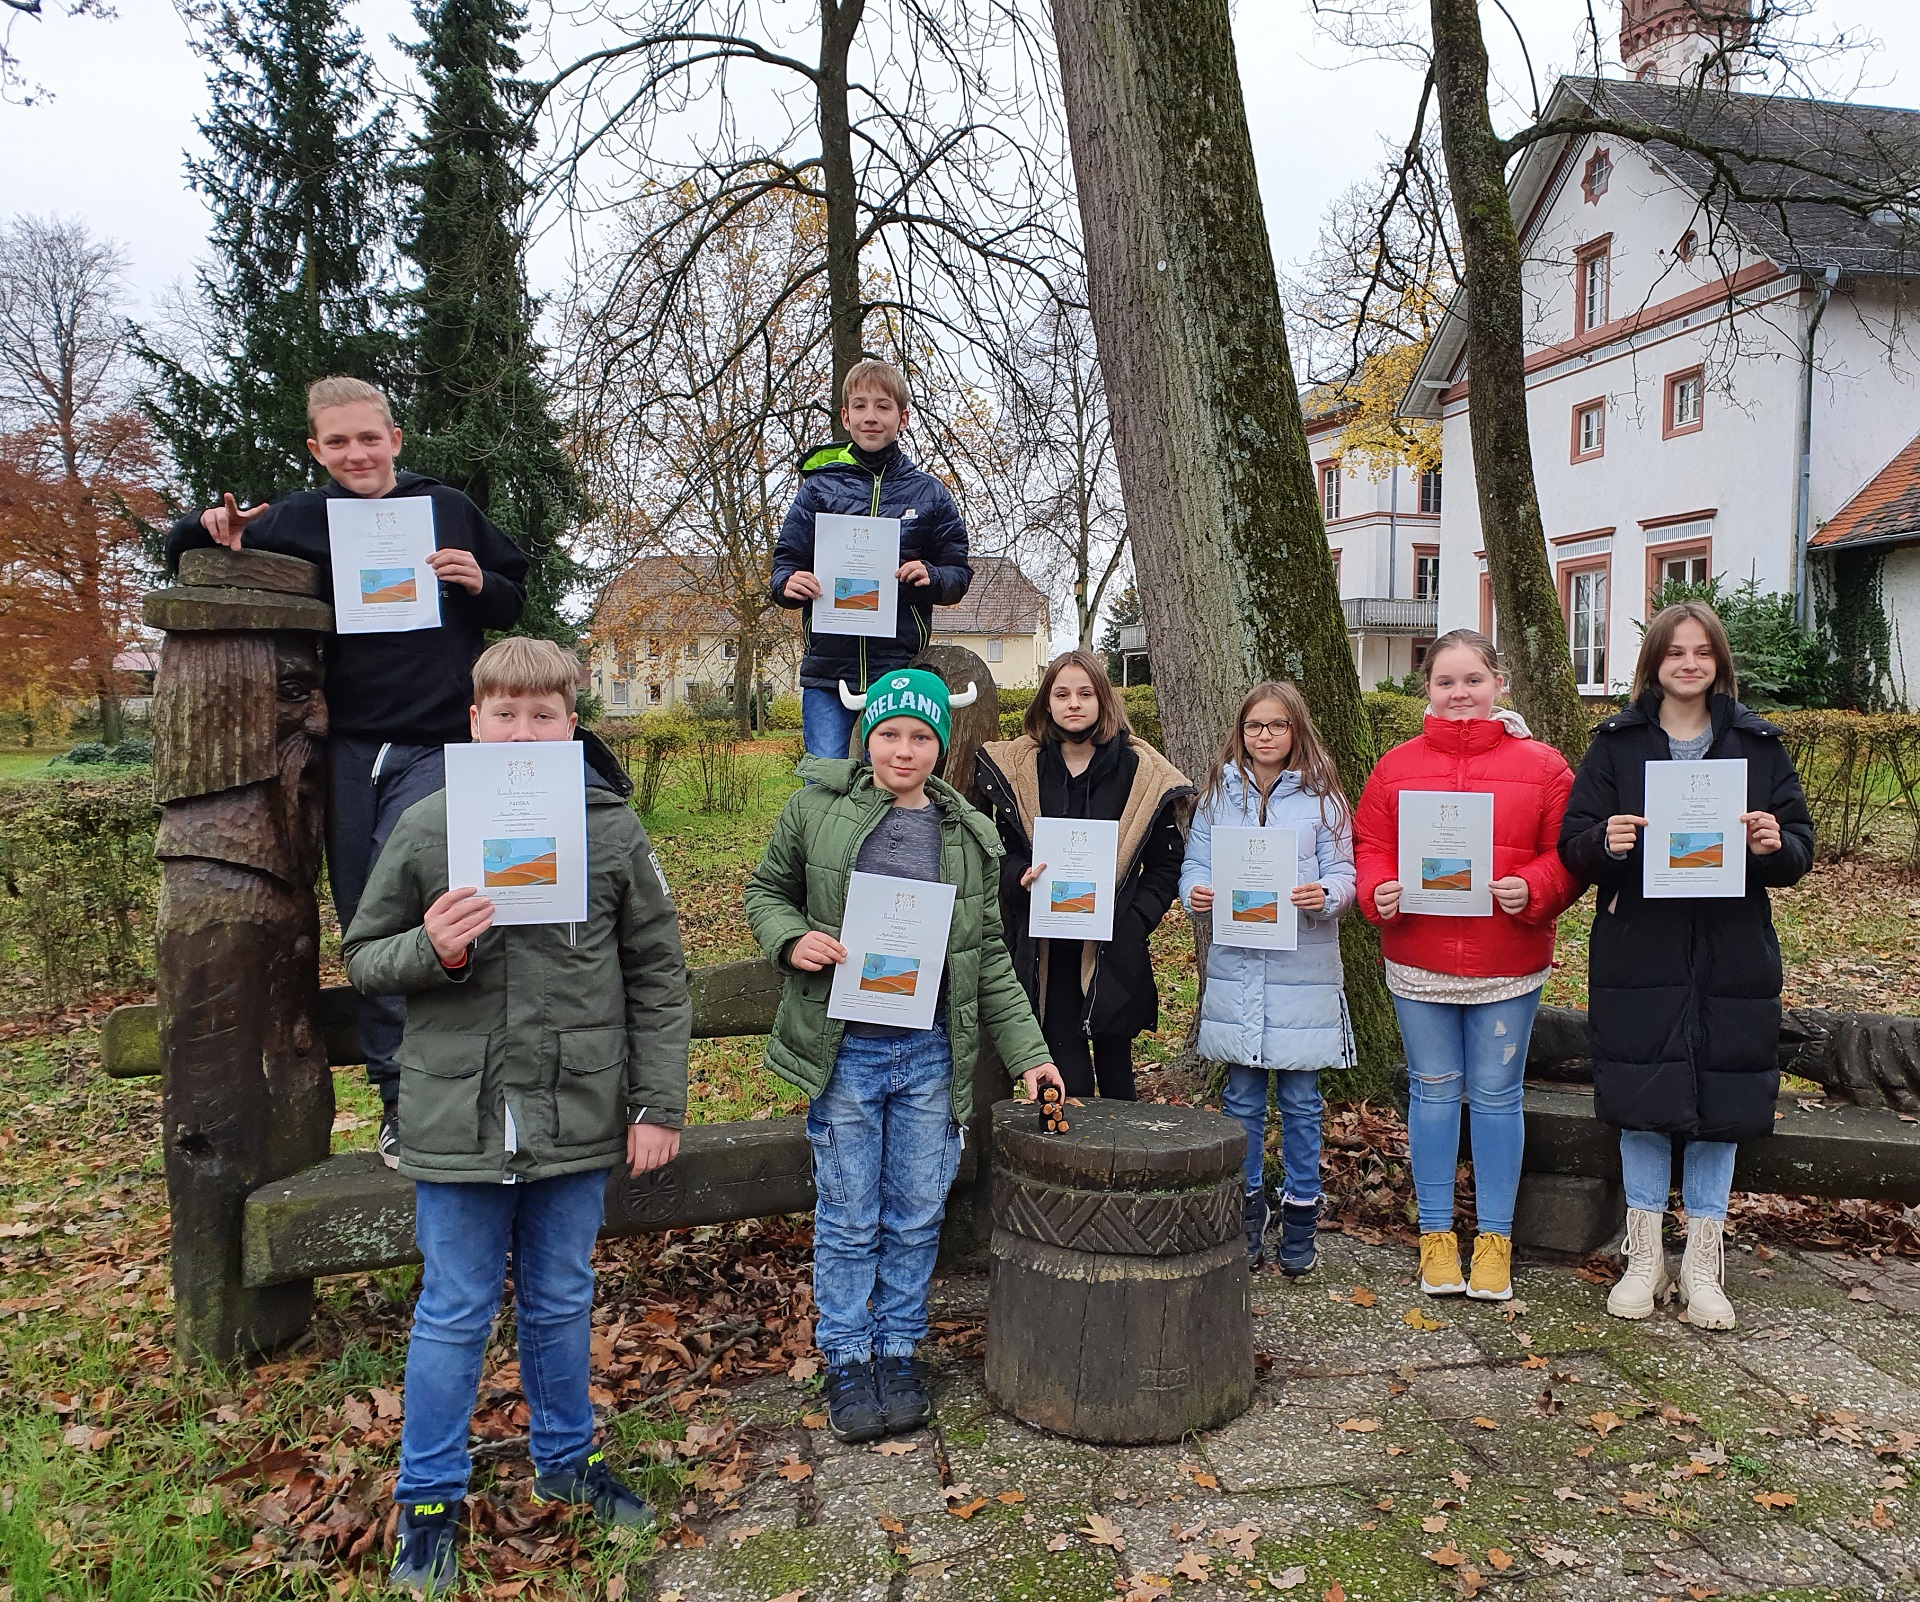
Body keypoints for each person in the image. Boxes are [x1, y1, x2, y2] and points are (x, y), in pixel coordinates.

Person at [341, 637, 689, 1597]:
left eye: (544, 716)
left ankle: (566, 1460)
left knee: (562, 1296)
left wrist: (657, 1104)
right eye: (506, 714)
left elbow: (658, 976)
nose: (524, 731)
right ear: (475, 723)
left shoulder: (610, 829)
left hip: (576, 1112)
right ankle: (428, 1501)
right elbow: (365, 957)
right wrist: (433, 949)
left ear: (571, 726)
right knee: (454, 1309)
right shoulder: (428, 824)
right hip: (457, 1118)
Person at [165, 376, 530, 1167]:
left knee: (444, 908)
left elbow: (511, 595)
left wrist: (478, 580)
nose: (357, 453)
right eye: (338, 442)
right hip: (352, 748)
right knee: (371, 920)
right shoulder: (302, 517)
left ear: (395, 438)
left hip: (442, 745)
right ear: (316, 450)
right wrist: (209, 524)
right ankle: (401, 1101)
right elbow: (187, 544)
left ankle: (469, 1090)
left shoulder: (446, 508)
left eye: (370, 437)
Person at [744, 668, 1063, 1444]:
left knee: (917, 1212)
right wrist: (793, 938)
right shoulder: (815, 809)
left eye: (921, 736)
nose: (904, 749)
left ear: (941, 747)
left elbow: (987, 955)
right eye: (890, 733)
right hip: (845, 1051)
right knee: (851, 1214)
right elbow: (765, 891)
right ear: (867, 737)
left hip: (928, 1056)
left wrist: (1031, 1054)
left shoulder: (970, 836)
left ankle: (898, 1346)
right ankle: (849, 1358)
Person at [1558, 603, 1812, 1331]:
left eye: (1702, 652)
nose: (1690, 664)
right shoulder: (1616, 743)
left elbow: (1799, 850)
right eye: (1676, 653)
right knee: (1641, 1096)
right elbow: (1575, 845)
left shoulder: (1759, 745)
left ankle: (1702, 1264)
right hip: (1640, 947)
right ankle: (1645, 1259)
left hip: (1731, 950)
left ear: (1719, 661)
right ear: (1656, 663)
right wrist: (1606, 840)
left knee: (1720, 1108)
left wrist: (1772, 842)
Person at [1353, 630, 1581, 1303]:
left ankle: (1494, 1240)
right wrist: (1378, 890)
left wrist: (1535, 888)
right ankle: (1434, 1236)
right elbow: (1371, 843)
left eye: (1472, 681)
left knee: (1496, 1097)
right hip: (1420, 959)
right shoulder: (1395, 767)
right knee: (1430, 1094)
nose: (1459, 695)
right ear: (1426, 690)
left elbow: (1567, 853)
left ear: (1498, 684)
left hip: (1505, 960)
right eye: (1445, 682)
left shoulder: (1543, 767)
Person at [1178, 681, 1355, 1275]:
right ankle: (1246, 1209)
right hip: (1238, 969)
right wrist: (1193, 893)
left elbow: (1345, 873)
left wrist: (1325, 894)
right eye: (1255, 725)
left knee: (1302, 1102)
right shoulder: (1217, 795)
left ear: (1295, 729)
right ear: (1241, 730)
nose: (1265, 735)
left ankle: (1302, 1208)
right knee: (1242, 1100)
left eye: (1277, 725)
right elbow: (1196, 863)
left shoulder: (1324, 796)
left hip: (1301, 969)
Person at [975, 650, 1192, 1104]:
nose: (1074, 703)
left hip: (1116, 945)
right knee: (1066, 1074)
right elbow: (1000, 853)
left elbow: (1167, 862)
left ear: (1103, 699)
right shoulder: (1022, 769)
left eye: (1085, 693)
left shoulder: (1139, 772)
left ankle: (1121, 1165)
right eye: (1062, 694)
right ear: (1047, 703)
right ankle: (1069, 1164)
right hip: (1046, 946)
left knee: (1117, 1073)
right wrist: (1020, 879)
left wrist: (1134, 919)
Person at [769, 359, 973, 760]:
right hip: (827, 670)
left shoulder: (930, 494)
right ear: (845, 417)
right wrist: (787, 584)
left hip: (897, 670)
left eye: (883, 406)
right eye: (860, 406)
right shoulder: (817, 488)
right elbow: (785, 562)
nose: (871, 417)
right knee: (823, 780)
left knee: (888, 782)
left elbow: (958, 572)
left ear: (903, 417)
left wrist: (931, 574)